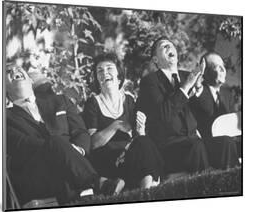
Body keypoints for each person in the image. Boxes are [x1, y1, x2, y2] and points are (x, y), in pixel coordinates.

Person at [6, 65, 124, 206]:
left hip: (73, 166)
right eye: (7, 72)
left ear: (30, 80)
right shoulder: (4, 119)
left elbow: (80, 132)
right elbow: (23, 145)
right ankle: (97, 183)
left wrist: (77, 150)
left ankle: (84, 193)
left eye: (19, 69)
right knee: (56, 142)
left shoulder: (60, 101)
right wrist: (59, 149)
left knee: (61, 150)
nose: (14, 70)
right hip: (39, 174)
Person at [137, 36, 239, 174]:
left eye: (171, 45)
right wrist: (186, 87)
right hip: (169, 147)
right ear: (155, 59)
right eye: (163, 46)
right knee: (197, 146)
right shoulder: (150, 82)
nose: (169, 47)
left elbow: (206, 111)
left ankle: (233, 186)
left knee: (226, 143)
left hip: (195, 141)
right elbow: (163, 116)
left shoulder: (187, 75)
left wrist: (198, 90)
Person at [83, 53, 164, 189]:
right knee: (144, 148)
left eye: (109, 68)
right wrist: (115, 126)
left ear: (119, 75)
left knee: (145, 142)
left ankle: (147, 190)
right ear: (97, 78)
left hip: (131, 157)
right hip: (109, 162)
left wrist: (140, 128)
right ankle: (149, 189)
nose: (105, 73)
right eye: (100, 71)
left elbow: (138, 138)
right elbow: (92, 144)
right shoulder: (92, 104)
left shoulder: (130, 100)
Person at [189, 52, 241, 155]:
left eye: (223, 66)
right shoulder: (199, 91)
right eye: (217, 67)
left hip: (231, 143)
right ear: (205, 72)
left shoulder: (227, 93)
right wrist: (198, 86)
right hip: (209, 146)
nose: (223, 70)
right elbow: (202, 104)